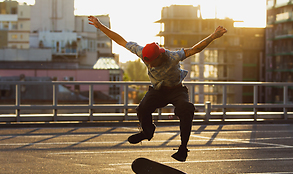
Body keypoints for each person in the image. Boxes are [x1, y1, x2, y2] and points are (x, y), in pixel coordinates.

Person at [88, 15, 227, 162]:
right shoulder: (142, 52)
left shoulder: (173, 57)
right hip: (158, 91)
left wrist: (214, 36)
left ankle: (183, 148)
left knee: (186, 109)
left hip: (176, 91)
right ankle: (147, 132)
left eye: (153, 63)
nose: (150, 66)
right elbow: (121, 41)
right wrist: (100, 26)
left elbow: (195, 49)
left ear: (160, 57)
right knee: (142, 109)